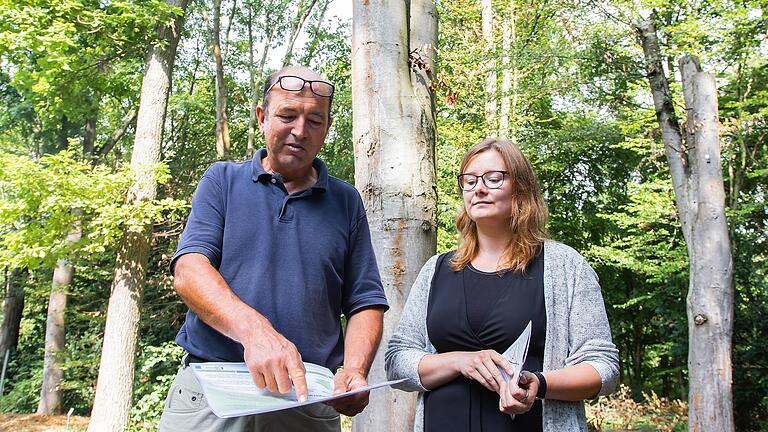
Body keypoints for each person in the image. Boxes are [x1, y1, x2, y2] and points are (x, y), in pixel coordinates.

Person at [159, 66, 389, 432]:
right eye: (287, 116)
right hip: (212, 391)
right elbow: (189, 271)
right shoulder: (222, 180)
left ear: (326, 129)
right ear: (262, 117)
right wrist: (256, 333)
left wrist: (355, 370)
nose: (300, 131)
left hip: (306, 399)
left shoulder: (346, 202)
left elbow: (365, 301)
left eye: (315, 120)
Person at [385, 138, 619, 431]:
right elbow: (397, 361)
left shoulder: (564, 266)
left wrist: (540, 384)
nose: (478, 188)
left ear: (521, 188)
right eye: (469, 181)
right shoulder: (437, 270)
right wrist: (459, 361)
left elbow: (604, 368)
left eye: (493, 179)